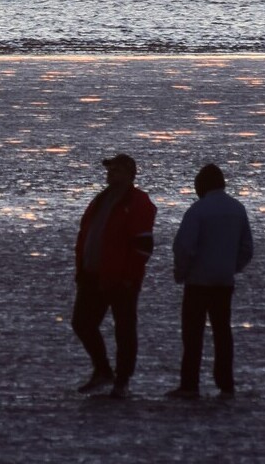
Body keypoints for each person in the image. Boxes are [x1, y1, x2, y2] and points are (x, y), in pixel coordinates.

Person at [72, 154, 157, 399]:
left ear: (130, 175)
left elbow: (142, 246)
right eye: (110, 169)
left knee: (124, 329)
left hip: (121, 278)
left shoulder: (138, 202)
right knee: (81, 323)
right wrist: (81, 268)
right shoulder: (101, 200)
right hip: (92, 274)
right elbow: (86, 234)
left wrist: (129, 276)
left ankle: (122, 380)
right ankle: (103, 370)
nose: (111, 173)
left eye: (117, 170)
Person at [166, 164, 254, 400]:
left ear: (201, 186)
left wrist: (181, 272)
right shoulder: (237, 209)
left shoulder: (198, 210)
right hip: (224, 281)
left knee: (192, 335)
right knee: (222, 333)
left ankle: (189, 384)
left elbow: (185, 247)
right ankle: (225, 383)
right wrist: (231, 268)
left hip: (197, 281)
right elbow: (247, 248)